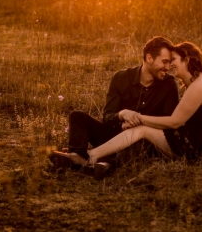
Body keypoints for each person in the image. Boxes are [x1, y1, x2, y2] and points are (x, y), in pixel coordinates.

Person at [84, 42, 202, 176]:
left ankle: (93, 155)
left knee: (142, 130)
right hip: (196, 140)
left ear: (186, 60)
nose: (170, 66)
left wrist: (139, 119)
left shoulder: (199, 85)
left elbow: (175, 122)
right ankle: (102, 159)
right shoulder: (198, 82)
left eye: (173, 60)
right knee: (146, 136)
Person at [49, 36, 179, 174]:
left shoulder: (169, 84)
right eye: (164, 62)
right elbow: (107, 118)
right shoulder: (121, 78)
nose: (168, 67)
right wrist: (121, 115)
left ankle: (106, 164)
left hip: (140, 141)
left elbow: (167, 124)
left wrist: (138, 124)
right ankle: (78, 155)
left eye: (169, 63)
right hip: (112, 137)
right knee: (77, 116)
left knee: (143, 143)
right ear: (149, 58)